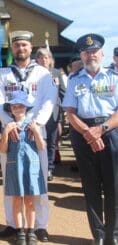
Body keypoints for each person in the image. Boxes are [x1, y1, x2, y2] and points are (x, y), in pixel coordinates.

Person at [0, 30, 57, 242]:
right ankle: (13, 223)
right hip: (11, 135)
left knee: (38, 182)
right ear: (13, 48)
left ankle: (40, 226)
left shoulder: (43, 74)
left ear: (30, 48)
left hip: (35, 132)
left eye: (25, 46)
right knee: (11, 181)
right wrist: (9, 123)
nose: (21, 49)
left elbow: (49, 100)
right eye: (17, 45)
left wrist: (36, 123)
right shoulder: (3, 74)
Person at [62, 33, 118, 245]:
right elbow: (70, 112)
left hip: (110, 132)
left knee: (114, 186)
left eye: (94, 51)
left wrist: (100, 129)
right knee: (91, 186)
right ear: (81, 56)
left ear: (102, 54)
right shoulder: (74, 80)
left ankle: (113, 235)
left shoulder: (114, 77)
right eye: (86, 53)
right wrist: (88, 133)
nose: (90, 55)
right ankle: (99, 236)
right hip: (82, 132)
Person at [0, 90, 46, 245]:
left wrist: (36, 132)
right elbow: (3, 149)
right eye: (14, 107)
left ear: (26, 108)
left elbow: (41, 146)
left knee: (30, 201)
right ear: (10, 109)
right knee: (17, 200)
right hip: (15, 167)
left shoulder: (33, 125)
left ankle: (31, 231)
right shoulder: (8, 126)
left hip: (31, 167)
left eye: (21, 106)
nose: (17, 109)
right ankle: (19, 231)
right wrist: (6, 133)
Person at [35, 48, 66, 181]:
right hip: (36, 114)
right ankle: (38, 167)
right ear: (37, 60)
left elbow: (63, 93)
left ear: (50, 59)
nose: (44, 60)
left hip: (53, 113)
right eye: (41, 57)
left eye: (46, 57)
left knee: (51, 142)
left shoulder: (56, 73)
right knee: (37, 140)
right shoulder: (33, 74)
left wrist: (65, 112)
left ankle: (49, 169)